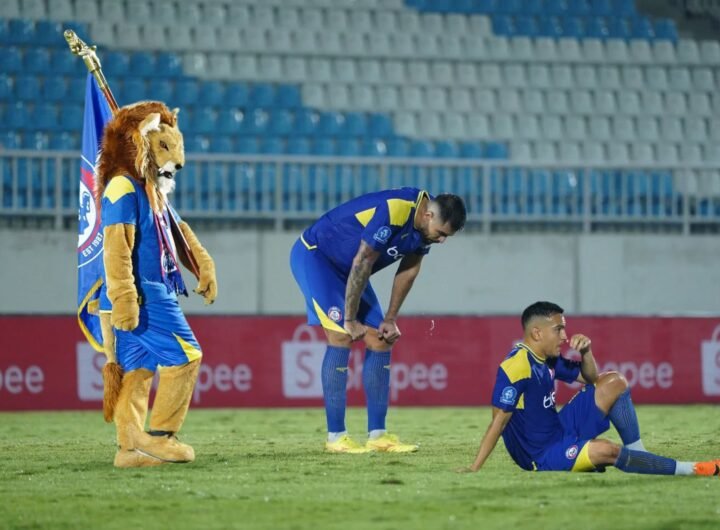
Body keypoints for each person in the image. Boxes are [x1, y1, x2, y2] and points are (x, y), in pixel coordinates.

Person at [290, 187, 466, 454]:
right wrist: (350, 318)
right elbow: (362, 261)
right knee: (341, 335)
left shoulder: (425, 230)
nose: (441, 241)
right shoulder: (395, 209)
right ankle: (336, 437)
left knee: (382, 340)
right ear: (428, 215)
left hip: (351, 269)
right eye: (441, 233)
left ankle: (378, 436)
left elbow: (408, 271)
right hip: (317, 258)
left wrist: (390, 319)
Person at [459, 301, 719, 476]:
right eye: (558, 329)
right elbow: (498, 422)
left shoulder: (547, 358)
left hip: (560, 429)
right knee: (607, 450)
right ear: (537, 333)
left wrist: (586, 352)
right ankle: (693, 468)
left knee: (614, 380)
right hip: (542, 455)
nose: (564, 336)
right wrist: (474, 468)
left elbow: (591, 378)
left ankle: (639, 454)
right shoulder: (516, 367)